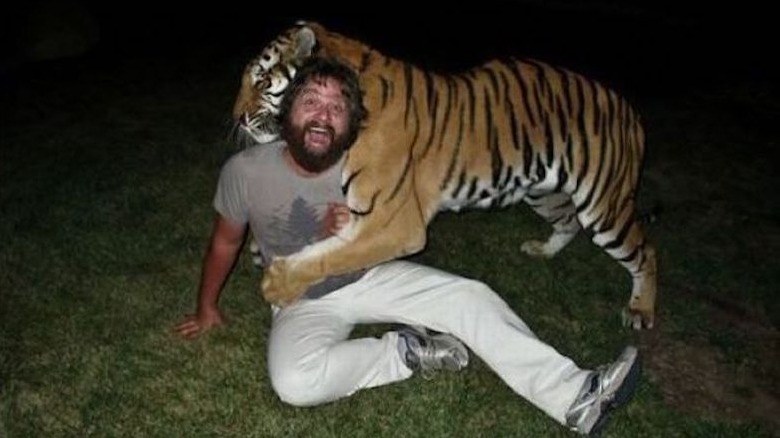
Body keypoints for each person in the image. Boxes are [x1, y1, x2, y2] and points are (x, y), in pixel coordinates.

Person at [174, 56, 641, 436]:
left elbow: (406, 232)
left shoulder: (373, 163)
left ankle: (576, 395)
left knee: (468, 297)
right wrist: (206, 307)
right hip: (300, 298)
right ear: (288, 110)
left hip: (370, 276)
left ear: (352, 124)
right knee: (294, 383)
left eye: (337, 107)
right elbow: (224, 242)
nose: (323, 114)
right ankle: (405, 353)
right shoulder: (247, 171)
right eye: (312, 100)